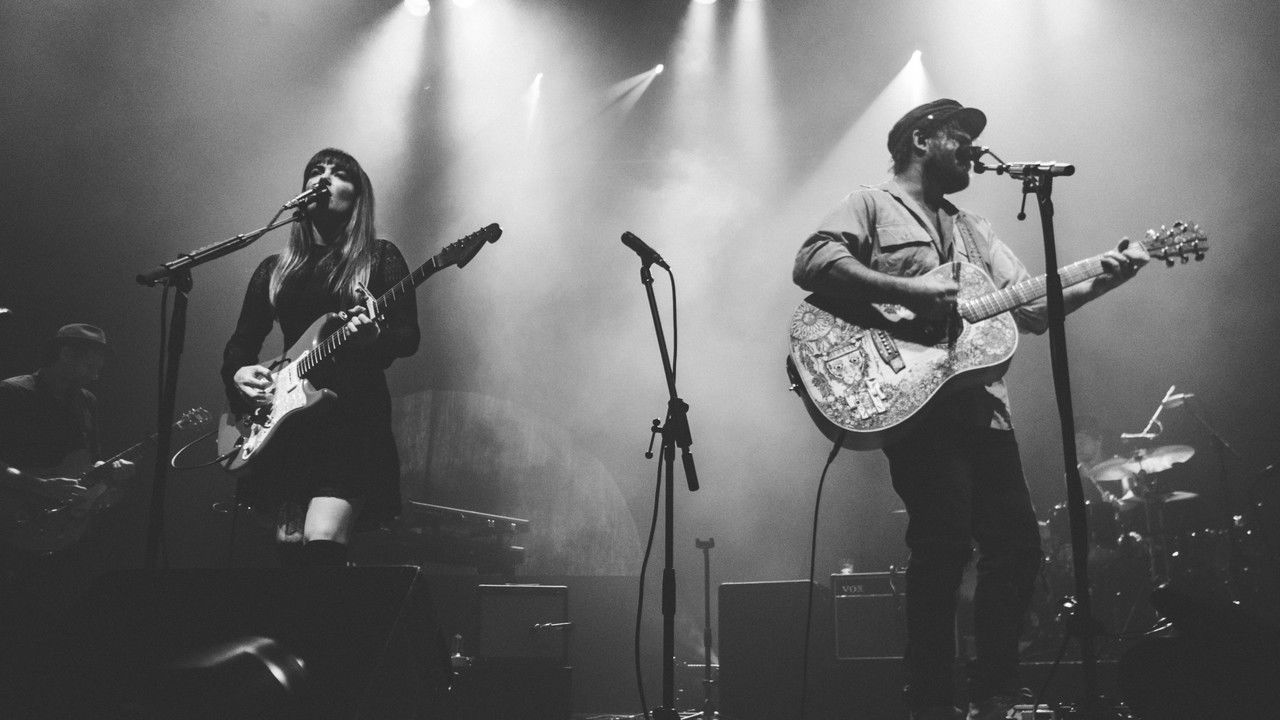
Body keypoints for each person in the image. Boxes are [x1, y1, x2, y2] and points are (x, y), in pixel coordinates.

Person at [792, 99, 1149, 720]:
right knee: (944, 544)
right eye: (960, 137)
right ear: (921, 138)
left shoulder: (976, 229)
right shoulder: (872, 204)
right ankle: (930, 699)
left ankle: (995, 694)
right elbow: (813, 261)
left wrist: (1105, 278)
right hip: (915, 408)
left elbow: (1033, 310)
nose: (973, 151)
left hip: (984, 411)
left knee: (1016, 547)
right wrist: (910, 288)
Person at [222, 148, 420, 569]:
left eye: (339, 173)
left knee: (322, 543)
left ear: (358, 193)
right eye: (316, 171)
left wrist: (374, 336)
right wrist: (240, 372)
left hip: (352, 421)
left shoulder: (379, 258)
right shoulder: (276, 268)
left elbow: (408, 337)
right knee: (290, 553)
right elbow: (240, 344)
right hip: (291, 421)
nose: (324, 178)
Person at [0, 324, 134, 537]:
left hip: (60, 527)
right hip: (13, 518)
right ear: (66, 354)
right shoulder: (13, 393)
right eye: (90, 367)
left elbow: (90, 460)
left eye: (98, 369)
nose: (95, 376)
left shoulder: (87, 401)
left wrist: (107, 469)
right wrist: (40, 486)